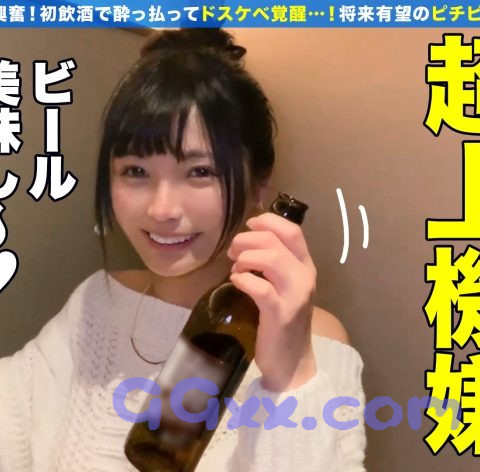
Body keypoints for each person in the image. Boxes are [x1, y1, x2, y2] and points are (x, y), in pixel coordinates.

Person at [0, 28, 366, 471]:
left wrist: (291, 374)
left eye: (199, 172)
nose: (162, 209)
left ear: (260, 182)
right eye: (136, 171)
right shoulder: (100, 299)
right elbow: (12, 409)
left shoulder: (315, 340)